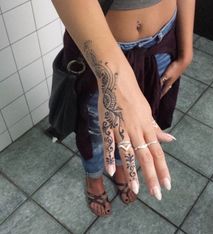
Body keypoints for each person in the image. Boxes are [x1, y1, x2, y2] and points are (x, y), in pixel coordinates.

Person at [51, 0, 195, 217]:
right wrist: (111, 75)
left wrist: (187, 51)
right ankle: (94, 177)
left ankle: (119, 166)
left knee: (131, 129)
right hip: (99, 50)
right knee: (95, 132)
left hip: (162, 44)